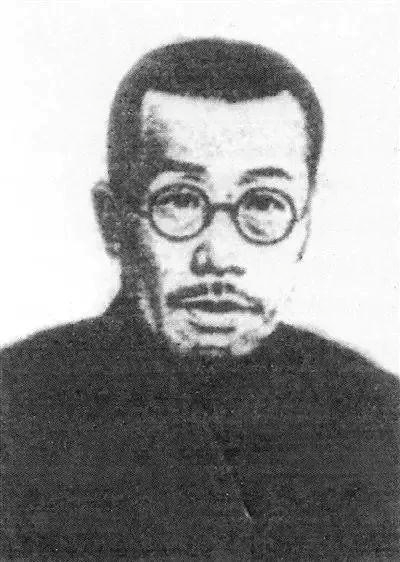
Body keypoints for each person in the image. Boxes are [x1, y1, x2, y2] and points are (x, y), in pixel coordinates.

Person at [1, 38, 399, 560]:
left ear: (305, 227)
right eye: (181, 200)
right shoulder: (16, 411)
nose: (218, 257)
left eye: (264, 203)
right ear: (112, 222)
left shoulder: (377, 420)